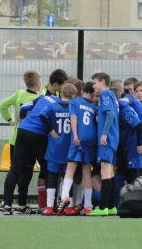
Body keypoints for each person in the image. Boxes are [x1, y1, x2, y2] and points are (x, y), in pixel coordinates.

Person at [2, 69, 68, 215]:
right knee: (49, 169)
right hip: (38, 135)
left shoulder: (43, 97)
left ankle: (6, 205)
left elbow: (24, 107)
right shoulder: (60, 103)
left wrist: (24, 118)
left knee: (15, 169)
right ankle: (50, 205)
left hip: (23, 130)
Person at [0, 69, 41, 210]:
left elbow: (3, 104)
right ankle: (21, 203)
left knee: (14, 170)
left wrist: (10, 120)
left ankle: (6, 201)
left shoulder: (19, 94)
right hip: (30, 139)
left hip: (15, 138)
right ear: (37, 83)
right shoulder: (38, 99)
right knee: (27, 171)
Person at [58, 81, 97, 216]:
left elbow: (73, 117)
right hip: (90, 140)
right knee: (87, 173)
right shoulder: (94, 106)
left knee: (70, 169)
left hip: (78, 138)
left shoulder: (74, 102)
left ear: (81, 91)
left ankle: (64, 198)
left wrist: (75, 134)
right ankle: (87, 205)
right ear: (93, 94)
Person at [113, 79, 142, 186]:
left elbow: (138, 124)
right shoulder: (130, 100)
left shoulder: (127, 98)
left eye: (131, 89)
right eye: (129, 89)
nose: (134, 92)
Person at [39, 83, 77, 215]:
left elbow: (42, 115)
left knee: (52, 176)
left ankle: (50, 207)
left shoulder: (53, 106)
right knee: (68, 177)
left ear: (60, 94)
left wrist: (51, 129)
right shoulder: (74, 108)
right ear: (74, 95)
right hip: (69, 148)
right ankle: (68, 207)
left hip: (55, 147)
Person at [86, 72, 119, 216]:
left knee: (105, 172)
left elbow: (110, 114)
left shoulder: (105, 94)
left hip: (108, 138)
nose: (93, 86)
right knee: (110, 173)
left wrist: (104, 134)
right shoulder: (111, 95)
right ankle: (111, 206)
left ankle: (103, 207)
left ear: (103, 82)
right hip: (113, 138)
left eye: (95, 83)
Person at [110, 87, 142, 184]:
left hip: (135, 144)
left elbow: (138, 125)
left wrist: (139, 144)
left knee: (134, 175)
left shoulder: (123, 110)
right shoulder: (120, 108)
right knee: (138, 174)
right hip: (132, 143)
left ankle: (137, 197)